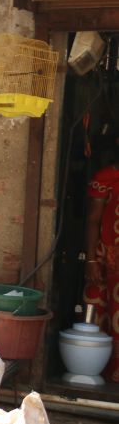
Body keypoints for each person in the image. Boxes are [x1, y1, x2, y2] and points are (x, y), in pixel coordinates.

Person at [83, 142, 119, 383]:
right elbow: (93, 220)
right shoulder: (106, 178)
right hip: (108, 257)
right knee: (101, 312)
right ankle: (106, 372)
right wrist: (91, 259)